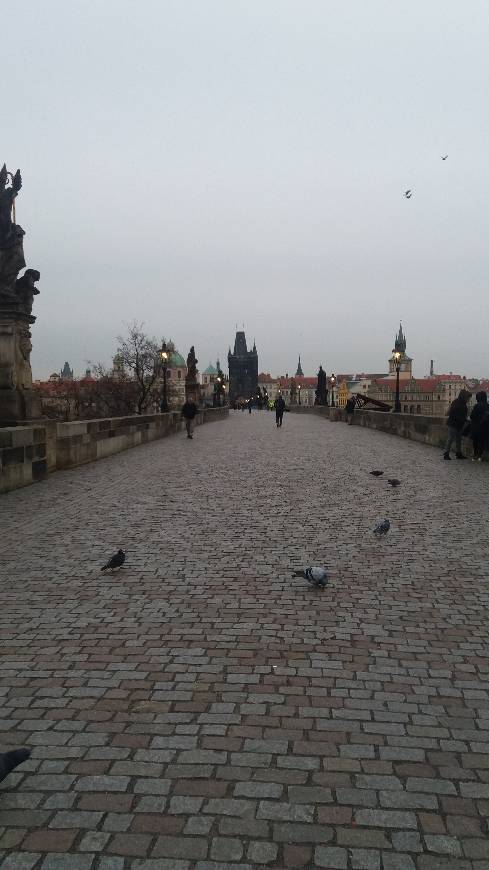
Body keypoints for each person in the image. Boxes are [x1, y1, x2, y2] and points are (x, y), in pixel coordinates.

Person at [443, 389, 471, 460]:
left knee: (458, 439)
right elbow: (453, 414)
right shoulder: (457, 403)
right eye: (468, 398)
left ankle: (458, 453)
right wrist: (464, 420)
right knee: (450, 439)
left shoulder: (460, 403)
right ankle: (446, 453)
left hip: (459, 424)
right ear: (464, 397)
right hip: (453, 424)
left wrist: (464, 419)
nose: (468, 399)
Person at [470, 391, 489, 461]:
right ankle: (480, 455)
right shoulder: (488, 406)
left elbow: (472, 416)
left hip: (476, 427)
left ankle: (475, 454)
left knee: (475, 441)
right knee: (482, 441)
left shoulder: (477, 406)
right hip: (485, 427)